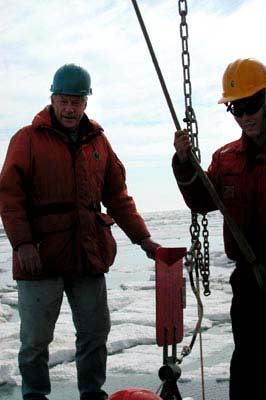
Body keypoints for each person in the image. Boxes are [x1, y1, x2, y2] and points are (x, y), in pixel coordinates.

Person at [0, 63, 160, 400]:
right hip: (40, 256)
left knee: (94, 332)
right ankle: (35, 396)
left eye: (77, 101)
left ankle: (92, 393)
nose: (70, 108)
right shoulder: (27, 139)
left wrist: (144, 239)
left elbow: (117, 196)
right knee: (35, 340)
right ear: (53, 99)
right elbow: (9, 196)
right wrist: (23, 243)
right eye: (64, 101)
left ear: (86, 103)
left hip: (88, 253)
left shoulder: (98, 142)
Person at [172, 58, 266, 400]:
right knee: (246, 372)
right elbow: (202, 199)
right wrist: (184, 164)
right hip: (250, 286)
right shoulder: (226, 159)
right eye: (236, 109)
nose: (245, 116)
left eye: (251, 105)